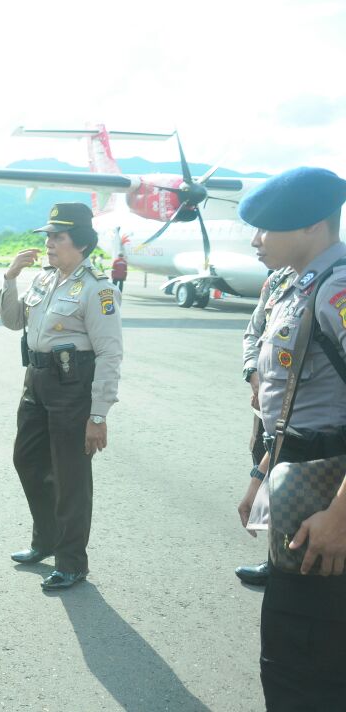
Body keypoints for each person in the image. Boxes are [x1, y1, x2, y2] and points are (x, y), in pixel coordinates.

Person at [233, 167, 346, 710]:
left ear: (311, 227)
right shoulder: (296, 283)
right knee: (289, 648)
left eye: (267, 227)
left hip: (330, 490)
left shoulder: (336, 291)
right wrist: (260, 477)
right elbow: (289, 399)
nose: (256, 239)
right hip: (297, 473)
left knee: (308, 659)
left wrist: (340, 516)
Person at [0, 202, 123, 591]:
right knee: (26, 460)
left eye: (59, 237)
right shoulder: (43, 279)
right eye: (48, 236)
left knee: (71, 476)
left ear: (81, 243)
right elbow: (13, 320)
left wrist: (98, 415)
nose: (50, 243)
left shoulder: (97, 289)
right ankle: (46, 538)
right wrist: (10, 277)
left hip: (72, 387)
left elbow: (109, 354)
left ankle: (71, 561)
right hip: (35, 380)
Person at [235, 266, 295, 587]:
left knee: (293, 478)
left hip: (299, 414)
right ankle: (277, 556)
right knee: (263, 459)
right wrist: (253, 375)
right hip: (267, 407)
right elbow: (253, 332)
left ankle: (293, 561)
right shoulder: (277, 281)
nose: (259, 240)